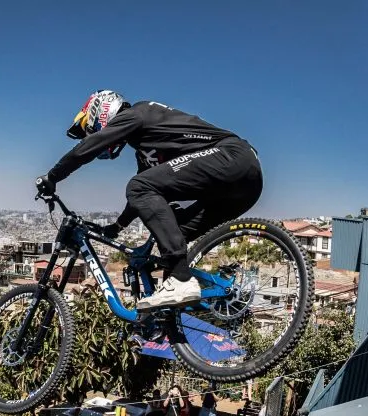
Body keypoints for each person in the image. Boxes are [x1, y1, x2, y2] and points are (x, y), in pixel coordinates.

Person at [35, 91, 263, 310]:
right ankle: (171, 316)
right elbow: (143, 193)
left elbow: (89, 149)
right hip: (246, 185)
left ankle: (181, 279)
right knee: (176, 233)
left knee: (138, 187)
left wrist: (52, 177)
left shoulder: (136, 113)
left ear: (101, 111)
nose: (95, 134)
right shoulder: (147, 150)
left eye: (92, 129)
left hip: (232, 156)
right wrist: (117, 226)